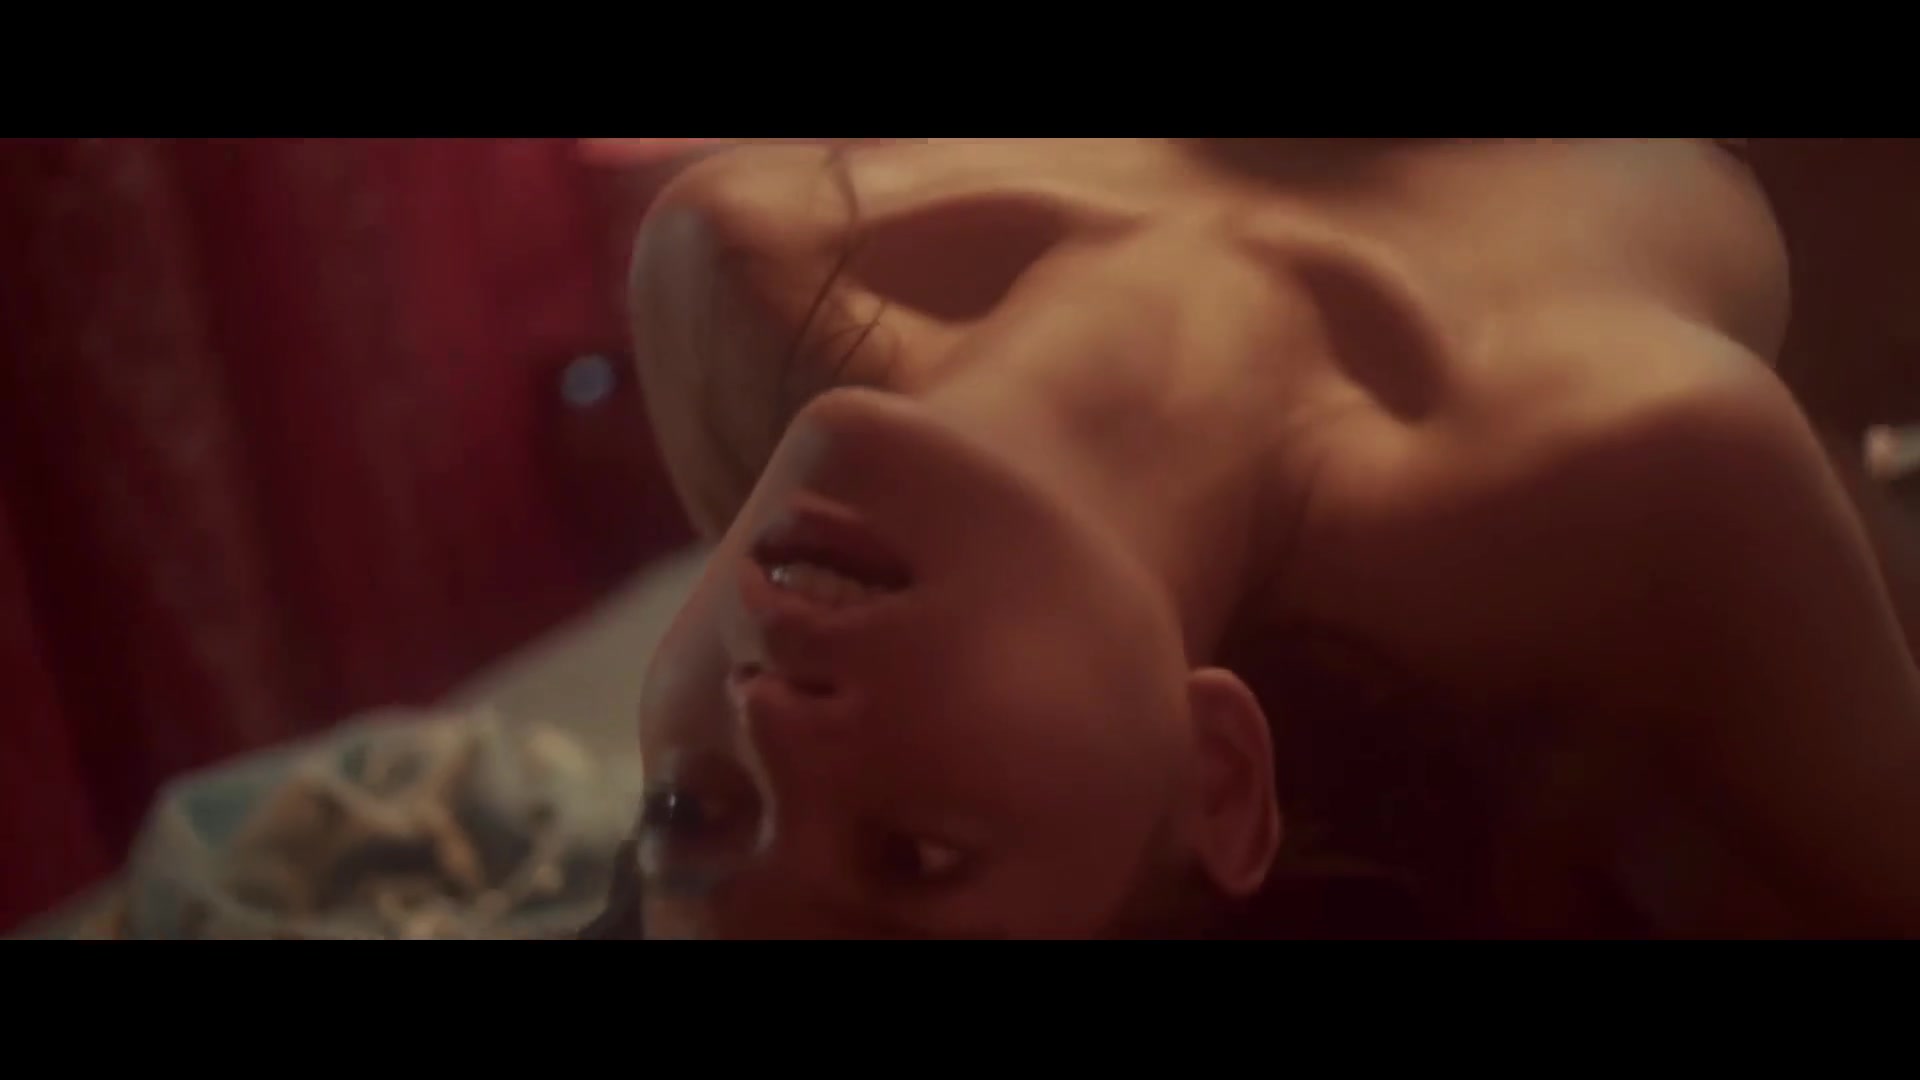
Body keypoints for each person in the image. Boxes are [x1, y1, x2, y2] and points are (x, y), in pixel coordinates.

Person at [582, 138, 1920, 939]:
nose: (770, 718)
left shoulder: (737, 267)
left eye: (694, 811)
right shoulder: (1633, 460)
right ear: (1216, 774)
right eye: (911, 857)